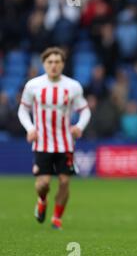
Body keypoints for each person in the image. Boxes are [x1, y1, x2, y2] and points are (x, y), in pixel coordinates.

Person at [18, 47, 91, 230]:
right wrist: (30, 128)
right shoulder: (33, 85)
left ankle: (56, 218)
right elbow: (23, 110)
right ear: (43, 64)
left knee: (65, 181)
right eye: (50, 62)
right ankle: (42, 200)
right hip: (42, 142)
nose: (54, 65)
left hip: (65, 143)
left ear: (63, 64)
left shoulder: (73, 86)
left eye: (57, 62)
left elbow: (85, 111)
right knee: (43, 184)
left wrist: (79, 127)